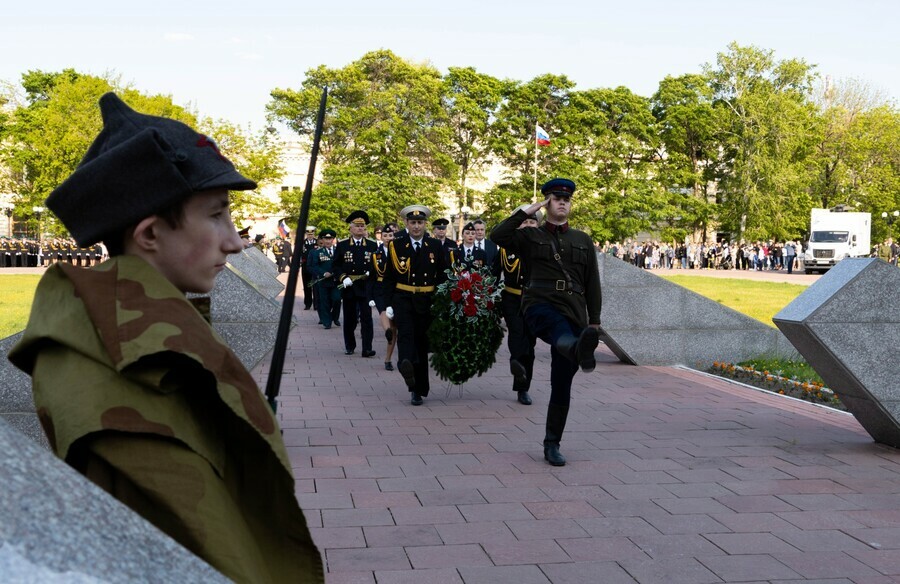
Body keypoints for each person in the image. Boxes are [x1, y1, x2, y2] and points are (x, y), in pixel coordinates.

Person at [7, 93, 323, 583]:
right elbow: (199, 540)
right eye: (216, 215)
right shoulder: (127, 358)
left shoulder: (142, 326)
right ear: (150, 234)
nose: (235, 240)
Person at [490, 178, 602, 467]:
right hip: (539, 305)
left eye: (566, 198)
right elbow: (497, 236)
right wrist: (526, 212)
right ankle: (577, 348)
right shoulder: (530, 237)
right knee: (556, 328)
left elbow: (592, 284)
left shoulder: (582, 240)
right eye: (555, 198)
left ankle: (552, 444)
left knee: (561, 384)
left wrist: (595, 322)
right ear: (546, 203)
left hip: (575, 311)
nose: (562, 202)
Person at [383, 206, 448, 405]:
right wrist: (387, 304)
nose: (417, 226)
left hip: (427, 300)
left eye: (420, 223)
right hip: (403, 298)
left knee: (421, 343)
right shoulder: (396, 245)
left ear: (425, 224)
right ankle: (406, 367)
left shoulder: (435, 245)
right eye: (413, 223)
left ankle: (418, 389)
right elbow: (389, 278)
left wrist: (442, 301)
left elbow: (443, 275)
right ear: (406, 224)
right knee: (405, 335)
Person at [495, 204, 541, 406]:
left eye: (532, 221)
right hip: (512, 298)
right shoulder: (506, 249)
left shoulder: (542, 247)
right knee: (516, 333)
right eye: (524, 221)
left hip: (534, 301)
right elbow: (495, 276)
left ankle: (523, 387)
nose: (528, 225)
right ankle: (516, 361)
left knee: (530, 344)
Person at [332, 210, 377, 357]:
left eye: (362, 226)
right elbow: (336, 265)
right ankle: (350, 345)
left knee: (367, 319)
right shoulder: (343, 245)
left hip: (365, 286)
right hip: (349, 286)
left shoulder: (372, 245)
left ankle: (367, 348)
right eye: (357, 226)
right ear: (350, 228)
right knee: (350, 319)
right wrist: (343, 277)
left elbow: (378, 262)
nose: (360, 228)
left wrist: (373, 272)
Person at [368, 224, 398, 370]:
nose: (388, 238)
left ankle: (388, 359)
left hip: (396, 291)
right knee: (384, 314)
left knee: (395, 328)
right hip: (380, 290)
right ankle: (386, 331)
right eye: (385, 236)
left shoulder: (400, 253)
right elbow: (372, 278)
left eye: (390, 235)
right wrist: (370, 296)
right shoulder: (376, 255)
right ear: (381, 237)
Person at [307, 228, 341, 329]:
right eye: (325, 239)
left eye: (330, 239)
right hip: (323, 281)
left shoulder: (339, 251)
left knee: (337, 299)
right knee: (324, 301)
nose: (327, 241)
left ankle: (335, 317)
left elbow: (342, 264)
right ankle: (327, 322)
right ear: (322, 240)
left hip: (336, 281)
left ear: (333, 239)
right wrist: (323, 273)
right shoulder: (318, 252)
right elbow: (314, 266)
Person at [300, 226, 318, 310]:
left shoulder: (318, 243)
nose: (310, 236)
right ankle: (307, 303)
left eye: (311, 234)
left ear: (314, 234)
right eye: (308, 234)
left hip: (315, 267)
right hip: (305, 267)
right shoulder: (302, 243)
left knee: (315, 286)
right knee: (307, 285)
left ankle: (316, 304)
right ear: (306, 234)